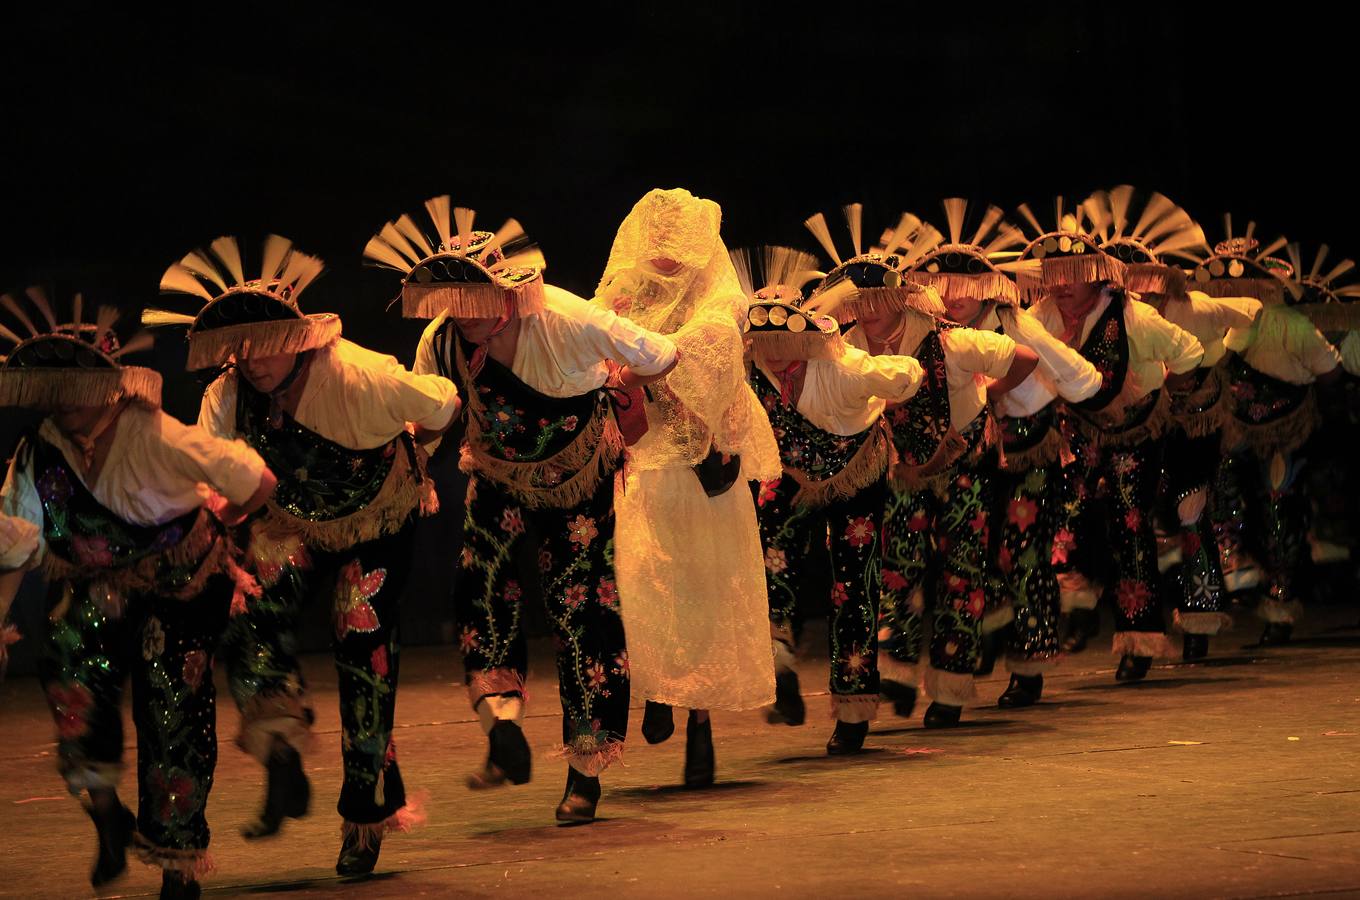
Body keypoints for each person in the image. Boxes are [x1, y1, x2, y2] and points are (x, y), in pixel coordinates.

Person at [149, 236, 458, 875]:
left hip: (376, 516)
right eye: (243, 346)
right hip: (292, 519)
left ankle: (365, 816)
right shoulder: (229, 395)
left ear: (296, 337)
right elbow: (214, 469)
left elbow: (444, 401)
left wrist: (414, 451)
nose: (253, 359)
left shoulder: (361, 375)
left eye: (266, 342)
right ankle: (281, 748)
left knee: (361, 630)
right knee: (251, 605)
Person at [369, 197, 677, 821]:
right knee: (479, 588)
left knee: (580, 606)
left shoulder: (566, 318)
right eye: (452, 301)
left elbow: (663, 353)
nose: (464, 313)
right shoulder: (442, 341)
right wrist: (407, 469)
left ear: (506, 291)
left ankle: (586, 769)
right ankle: (501, 721)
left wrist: (622, 377)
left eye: (474, 297)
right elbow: (432, 415)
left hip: (577, 478)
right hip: (499, 477)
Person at [2, 290, 274, 900]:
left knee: (171, 707)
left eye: (79, 380)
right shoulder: (38, 450)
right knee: (68, 664)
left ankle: (177, 864)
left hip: (182, 585)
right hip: (102, 584)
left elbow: (256, 478)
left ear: (112, 383)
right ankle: (105, 814)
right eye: (54, 382)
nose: (66, 395)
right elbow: (16, 540)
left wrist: (224, 524)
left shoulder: (154, 435)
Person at [806, 206, 1037, 727]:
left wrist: (988, 394)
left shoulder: (951, 340)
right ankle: (896, 669)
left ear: (898, 298)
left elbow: (1024, 358)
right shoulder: (845, 348)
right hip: (903, 469)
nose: (865, 310)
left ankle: (952, 689)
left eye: (875, 300)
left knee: (961, 570)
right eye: (857, 302)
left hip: (963, 464)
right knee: (898, 566)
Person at [594, 188, 782, 785]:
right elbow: (592, 336)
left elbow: (712, 347)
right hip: (643, 459)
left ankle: (700, 720)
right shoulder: (621, 287)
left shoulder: (716, 292)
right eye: (658, 238)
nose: (666, 252)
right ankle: (654, 687)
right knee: (643, 579)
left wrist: (645, 359)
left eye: (678, 240)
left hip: (701, 465)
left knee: (704, 588)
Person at [906, 200, 1101, 707]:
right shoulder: (931, 331)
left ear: (986, 288)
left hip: (1028, 449)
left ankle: (1029, 666)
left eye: (966, 290)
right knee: (968, 552)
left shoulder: (1017, 324)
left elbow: (1081, 378)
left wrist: (1003, 391)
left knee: (1023, 552)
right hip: (970, 455)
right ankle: (983, 636)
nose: (955, 300)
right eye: (943, 290)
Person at [735, 246, 923, 752]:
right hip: (791, 472)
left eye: (785, 336)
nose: (773, 350)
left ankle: (854, 707)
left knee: (854, 586)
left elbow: (909, 374)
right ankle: (780, 667)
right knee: (770, 562)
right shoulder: (745, 371)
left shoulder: (841, 364)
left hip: (856, 473)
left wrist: (870, 366)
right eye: (762, 339)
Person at [1016, 200, 1203, 682]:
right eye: (1053, 273)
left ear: (1098, 275)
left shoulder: (1135, 318)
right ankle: (1078, 601)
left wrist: (1170, 396)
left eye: (1071, 273)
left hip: (1135, 428)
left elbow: (1189, 352)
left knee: (1128, 518)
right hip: (1077, 427)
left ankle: (1139, 638)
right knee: (1066, 512)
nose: (1060, 284)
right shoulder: (1038, 316)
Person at [1084, 189, 1261, 660]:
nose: (1136, 291)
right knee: (1132, 516)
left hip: (1194, 425)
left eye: (1143, 283)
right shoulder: (1110, 319)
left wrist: (1219, 355)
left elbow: (1252, 311)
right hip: (1139, 428)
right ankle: (1127, 617)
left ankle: (1199, 616)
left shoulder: (1194, 309)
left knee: (1189, 508)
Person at [1187, 225, 1341, 644]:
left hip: (1287, 431)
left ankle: (1280, 601)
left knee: (1279, 510)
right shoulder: (1214, 324)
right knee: (1221, 496)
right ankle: (1238, 571)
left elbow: (1331, 372)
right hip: (1236, 429)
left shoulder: (1289, 324)